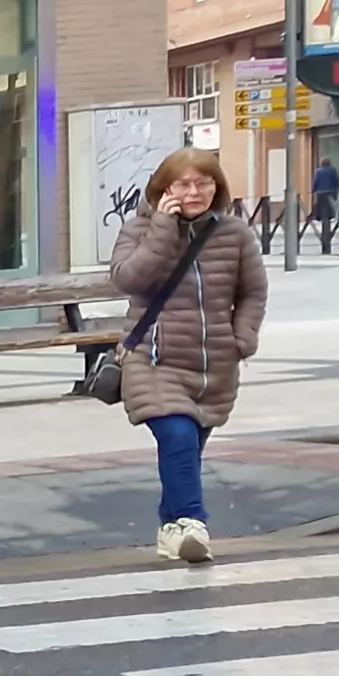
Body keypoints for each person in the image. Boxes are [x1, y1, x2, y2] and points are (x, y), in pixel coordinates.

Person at [112, 148, 269, 565]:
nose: (194, 191)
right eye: (183, 183)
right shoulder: (139, 229)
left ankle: (171, 529)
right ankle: (193, 521)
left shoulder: (234, 233)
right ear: (164, 188)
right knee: (177, 438)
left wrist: (243, 337)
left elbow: (253, 290)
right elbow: (129, 280)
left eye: (203, 182)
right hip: (153, 358)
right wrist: (163, 227)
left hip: (213, 364)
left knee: (186, 452)